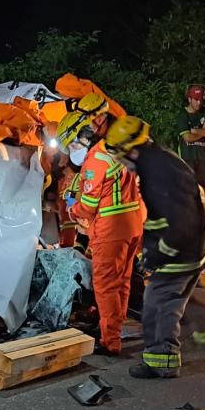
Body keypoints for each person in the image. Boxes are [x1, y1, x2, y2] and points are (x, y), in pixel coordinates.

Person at [105, 115, 205, 379]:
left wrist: (157, 257)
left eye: (121, 157)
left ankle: (162, 360)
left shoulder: (157, 174)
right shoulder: (161, 161)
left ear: (132, 151)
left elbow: (179, 224)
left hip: (184, 247)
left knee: (158, 301)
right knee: (187, 292)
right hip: (201, 242)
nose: (122, 164)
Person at [57, 95, 144, 356]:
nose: (73, 151)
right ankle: (113, 329)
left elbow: (87, 206)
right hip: (132, 225)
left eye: (73, 145)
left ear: (84, 135)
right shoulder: (116, 149)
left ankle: (109, 341)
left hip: (111, 229)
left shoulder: (95, 161)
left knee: (106, 286)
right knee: (122, 283)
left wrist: (72, 207)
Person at [176, 84, 205, 189]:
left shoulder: (204, 112)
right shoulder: (182, 115)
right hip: (187, 158)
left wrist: (194, 131)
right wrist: (203, 131)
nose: (199, 102)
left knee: (204, 189)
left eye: (201, 99)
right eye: (196, 99)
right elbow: (187, 138)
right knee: (188, 190)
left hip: (202, 157)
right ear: (189, 99)